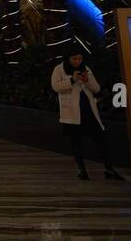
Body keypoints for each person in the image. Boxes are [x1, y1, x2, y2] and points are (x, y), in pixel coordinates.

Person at [51, 44, 123, 181]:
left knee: (100, 139)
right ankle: (82, 170)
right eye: (74, 59)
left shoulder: (86, 69)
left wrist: (86, 80)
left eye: (79, 58)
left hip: (88, 109)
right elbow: (56, 87)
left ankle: (109, 169)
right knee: (76, 141)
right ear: (68, 58)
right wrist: (72, 79)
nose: (77, 61)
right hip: (72, 112)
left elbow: (96, 89)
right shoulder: (59, 69)